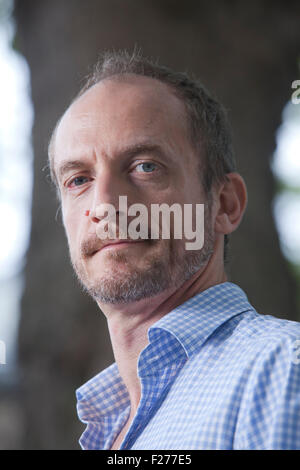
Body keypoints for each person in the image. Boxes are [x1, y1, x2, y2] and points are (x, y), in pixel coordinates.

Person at [48, 50, 300, 450]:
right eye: (78, 179)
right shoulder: (109, 422)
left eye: (145, 166)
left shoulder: (282, 371)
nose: (105, 205)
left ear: (225, 204)